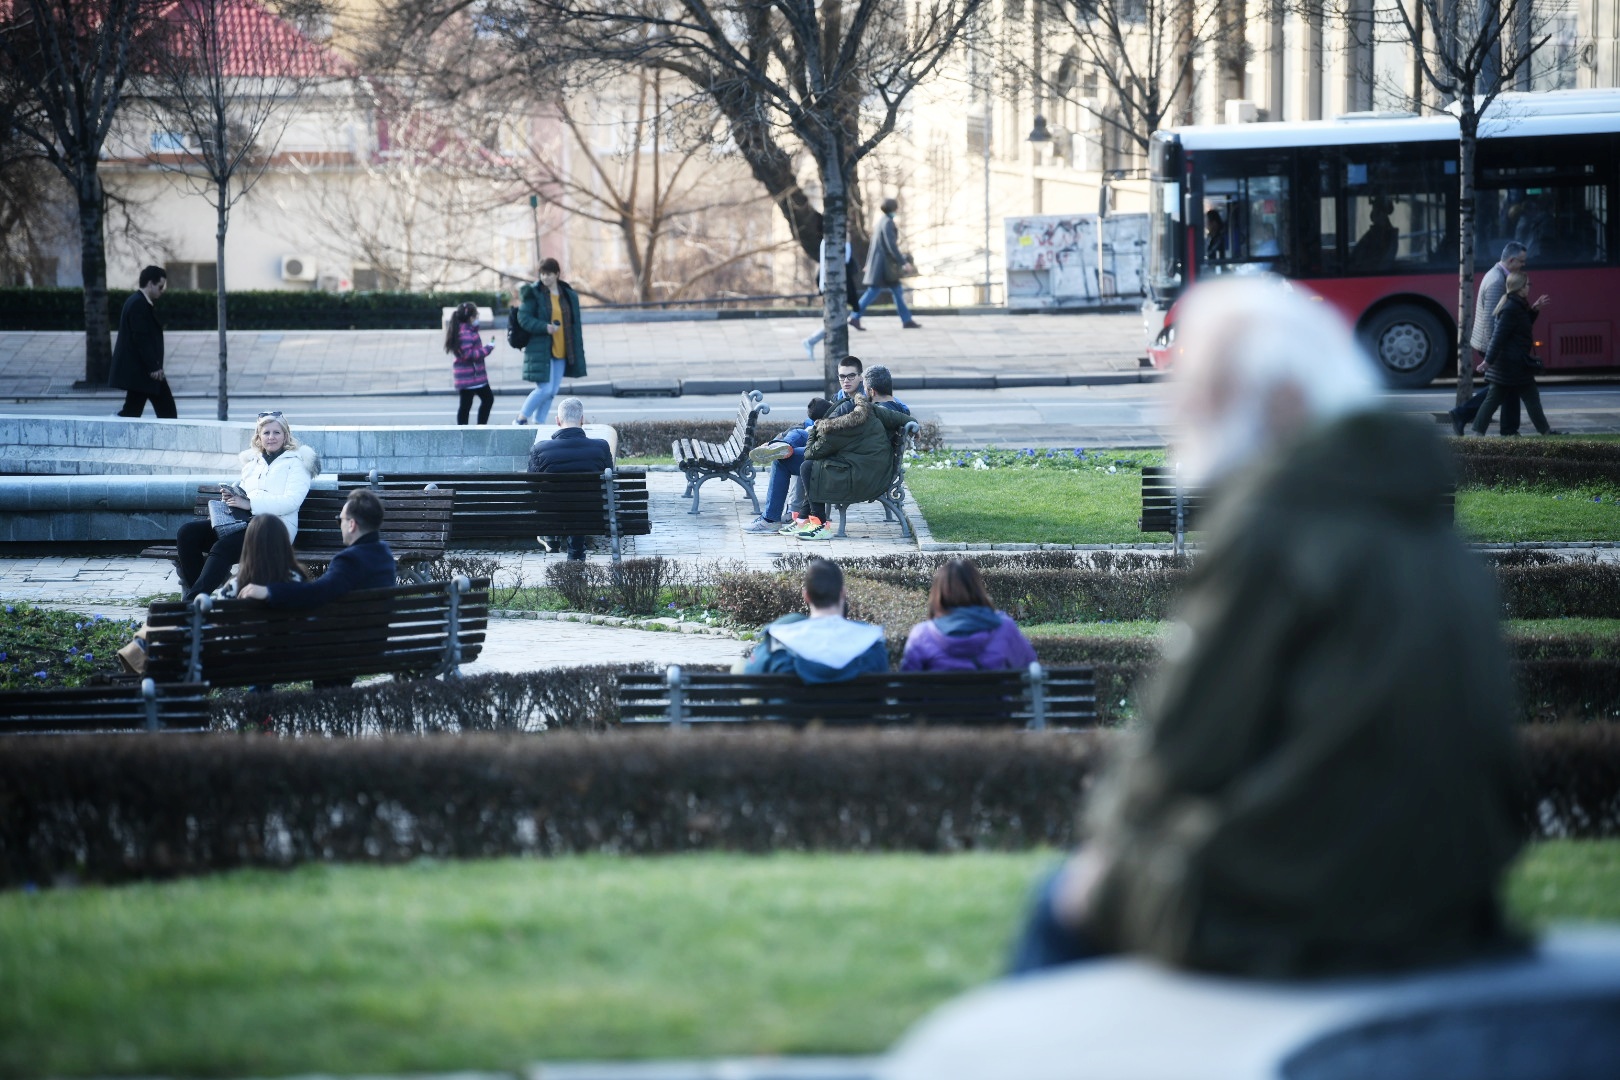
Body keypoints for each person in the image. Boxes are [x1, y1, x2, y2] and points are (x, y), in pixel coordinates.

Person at [1010, 276, 1525, 979]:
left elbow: (1182, 746)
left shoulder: (1277, 522)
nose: (1179, 407)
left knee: (1061, 901)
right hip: (1451, 902)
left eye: (1207, 386)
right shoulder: (1426, 526)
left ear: (1284, 400)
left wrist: (1109, 856)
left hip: (1305, 909)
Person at [118, 513, 308, 675]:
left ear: (247, 546)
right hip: (277, 650)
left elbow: (213, 615)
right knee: (172, 623)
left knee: (167, 623)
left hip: (228, 653)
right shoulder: (298, 581)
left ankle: (141, 650)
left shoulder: (239, 585)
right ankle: (146, 644)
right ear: (284, 543)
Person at [175, 411, 319, 601]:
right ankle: (199, 597)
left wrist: (250, 504)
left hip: (274, 530)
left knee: (224, 547)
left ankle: (191, 603)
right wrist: (232, 494)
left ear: (286, 435)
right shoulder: (253, 463)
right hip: (243, 524)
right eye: (266, 433)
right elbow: (245, 492)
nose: (271, 437)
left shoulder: (297, 464)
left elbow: (291, 501)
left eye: (277, 432)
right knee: (187, 533)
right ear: (259, 436)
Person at [744, 356, 867, 534]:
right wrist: (782, 437)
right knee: (798, 433)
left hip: (835, 455)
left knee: (781, 460)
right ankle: (778, 445)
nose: (845, 381)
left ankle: (770, 519)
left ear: (861, 377)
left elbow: (890, 408)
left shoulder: (861, 402)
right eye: (842, 377)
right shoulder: (840, 396)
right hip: (825, 443)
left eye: (851, 376)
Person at [783, 375, 914, 541]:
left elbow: (810, 453)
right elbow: (900, 418)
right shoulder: (867, 409)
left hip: (865, 478)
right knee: (816, 466)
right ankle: (803, 518)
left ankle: (820, 525)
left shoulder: (834, 430)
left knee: (808, 467)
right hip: (876, 468)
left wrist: (815, 431)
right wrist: (914, 424)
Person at [238, 488, 396, 607]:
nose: (339, 525)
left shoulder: (350, 560)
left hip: (347, 645)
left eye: (340, 520)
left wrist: (269, 591)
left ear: (352, 525)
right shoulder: (384, 554)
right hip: (374, 644)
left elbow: (318, 592)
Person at [743, 557, 888, 682]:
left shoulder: (779, 641)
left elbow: (751, 678)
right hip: (855, 715)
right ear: (843, 593)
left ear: (806, 596)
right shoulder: (870, 642)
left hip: (791, 714)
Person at [1451, 242, 1532, 436]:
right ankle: (1463, 414)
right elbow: (1495, 321)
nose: (1523, 266)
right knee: (1503, 386)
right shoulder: (1497, 281)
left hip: (1493, 343)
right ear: (1511, 260)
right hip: (1493, 344)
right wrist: (1494, 354)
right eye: (1521, 262)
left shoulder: (1497, 274)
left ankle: (1508, 429)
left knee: (1507, 386)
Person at [900, 559, 1036, 672]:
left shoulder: (922, 634)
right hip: (991, 704)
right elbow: (1029, 670)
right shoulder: (1004, 628)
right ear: (977, 588)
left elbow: (907, 693)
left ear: (937, 593)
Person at [1472, 271, 1559, 437]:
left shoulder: (1517, 305)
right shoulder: (1511, 308)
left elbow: (1521, 325)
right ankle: (1546, 432)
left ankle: (1477, 432)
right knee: (1529, 397)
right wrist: (1487, 362)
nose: (1529, 287)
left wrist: (1534, 310)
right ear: (1519, 288)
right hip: (1512, 364)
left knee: (1495, 398)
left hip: (1510, 363)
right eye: (1527, 285)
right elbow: (1498, 337)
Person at [528, 396, 614, 561]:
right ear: (582, 420)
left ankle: (552, 537)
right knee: (580, 506)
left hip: (551, 514)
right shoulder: (601, 447)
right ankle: (575, 558)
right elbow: (609, 482)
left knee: (556, 502)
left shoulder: (540, 449)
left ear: (557, 421)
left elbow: (532, 487)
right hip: (590, 514)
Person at [513, 258, 585, 426]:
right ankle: (520, 418)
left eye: (549, 274)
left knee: (552, 391)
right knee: (544, 388)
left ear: (557, 274)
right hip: (541, 348)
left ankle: (539, 423)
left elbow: (574, 323)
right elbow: (523, 317)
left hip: (562, 348)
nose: (545, 277)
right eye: (542, 274)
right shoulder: (535, 293)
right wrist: (544, 327)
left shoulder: (566, 294)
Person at [110, 266, 175, 419]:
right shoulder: (138, 304)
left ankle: (114, 427)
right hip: (146, 372)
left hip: (142, 373)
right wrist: (154, 367)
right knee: (167, 413)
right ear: (150, 284)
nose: (162, 290)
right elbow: (141, 338)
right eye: (160, 286)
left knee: (133, 412)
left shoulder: (138, 302)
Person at [850, 198, 921, 331]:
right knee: (877, 291)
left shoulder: (880, 222)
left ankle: (906, 320)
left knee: (894, 291)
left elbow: (873, 245)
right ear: (893, 209)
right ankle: (855, 316)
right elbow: (891, 246)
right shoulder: (888, 223)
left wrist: (868, 263)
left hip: (879, 265)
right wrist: (903, 262)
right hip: (885, 267)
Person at [802, 236, 861, 361]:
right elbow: (844, 261)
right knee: (836, 319)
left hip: (832, 284)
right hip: (835, 285)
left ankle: (812, 341)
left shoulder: (831, 240)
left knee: (837, 318)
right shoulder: (837, 240)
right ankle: (811, 341)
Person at [446, 301, 495, 425]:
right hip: (472, 376)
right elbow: (468, 355)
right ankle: (478, 428)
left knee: (466, 405)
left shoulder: (463, 331)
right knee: (486, 399)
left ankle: (464, 430)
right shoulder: (466, 333)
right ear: (470, 318)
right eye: (476, 315)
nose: (477, 318)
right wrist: (488, 348)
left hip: (468, 376)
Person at [1349, 196, 1399, 271]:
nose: (1372, 215)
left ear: (1382, 213)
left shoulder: (1385, 236)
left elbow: (1376, 263)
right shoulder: (1376, 233)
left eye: (1376, 210)